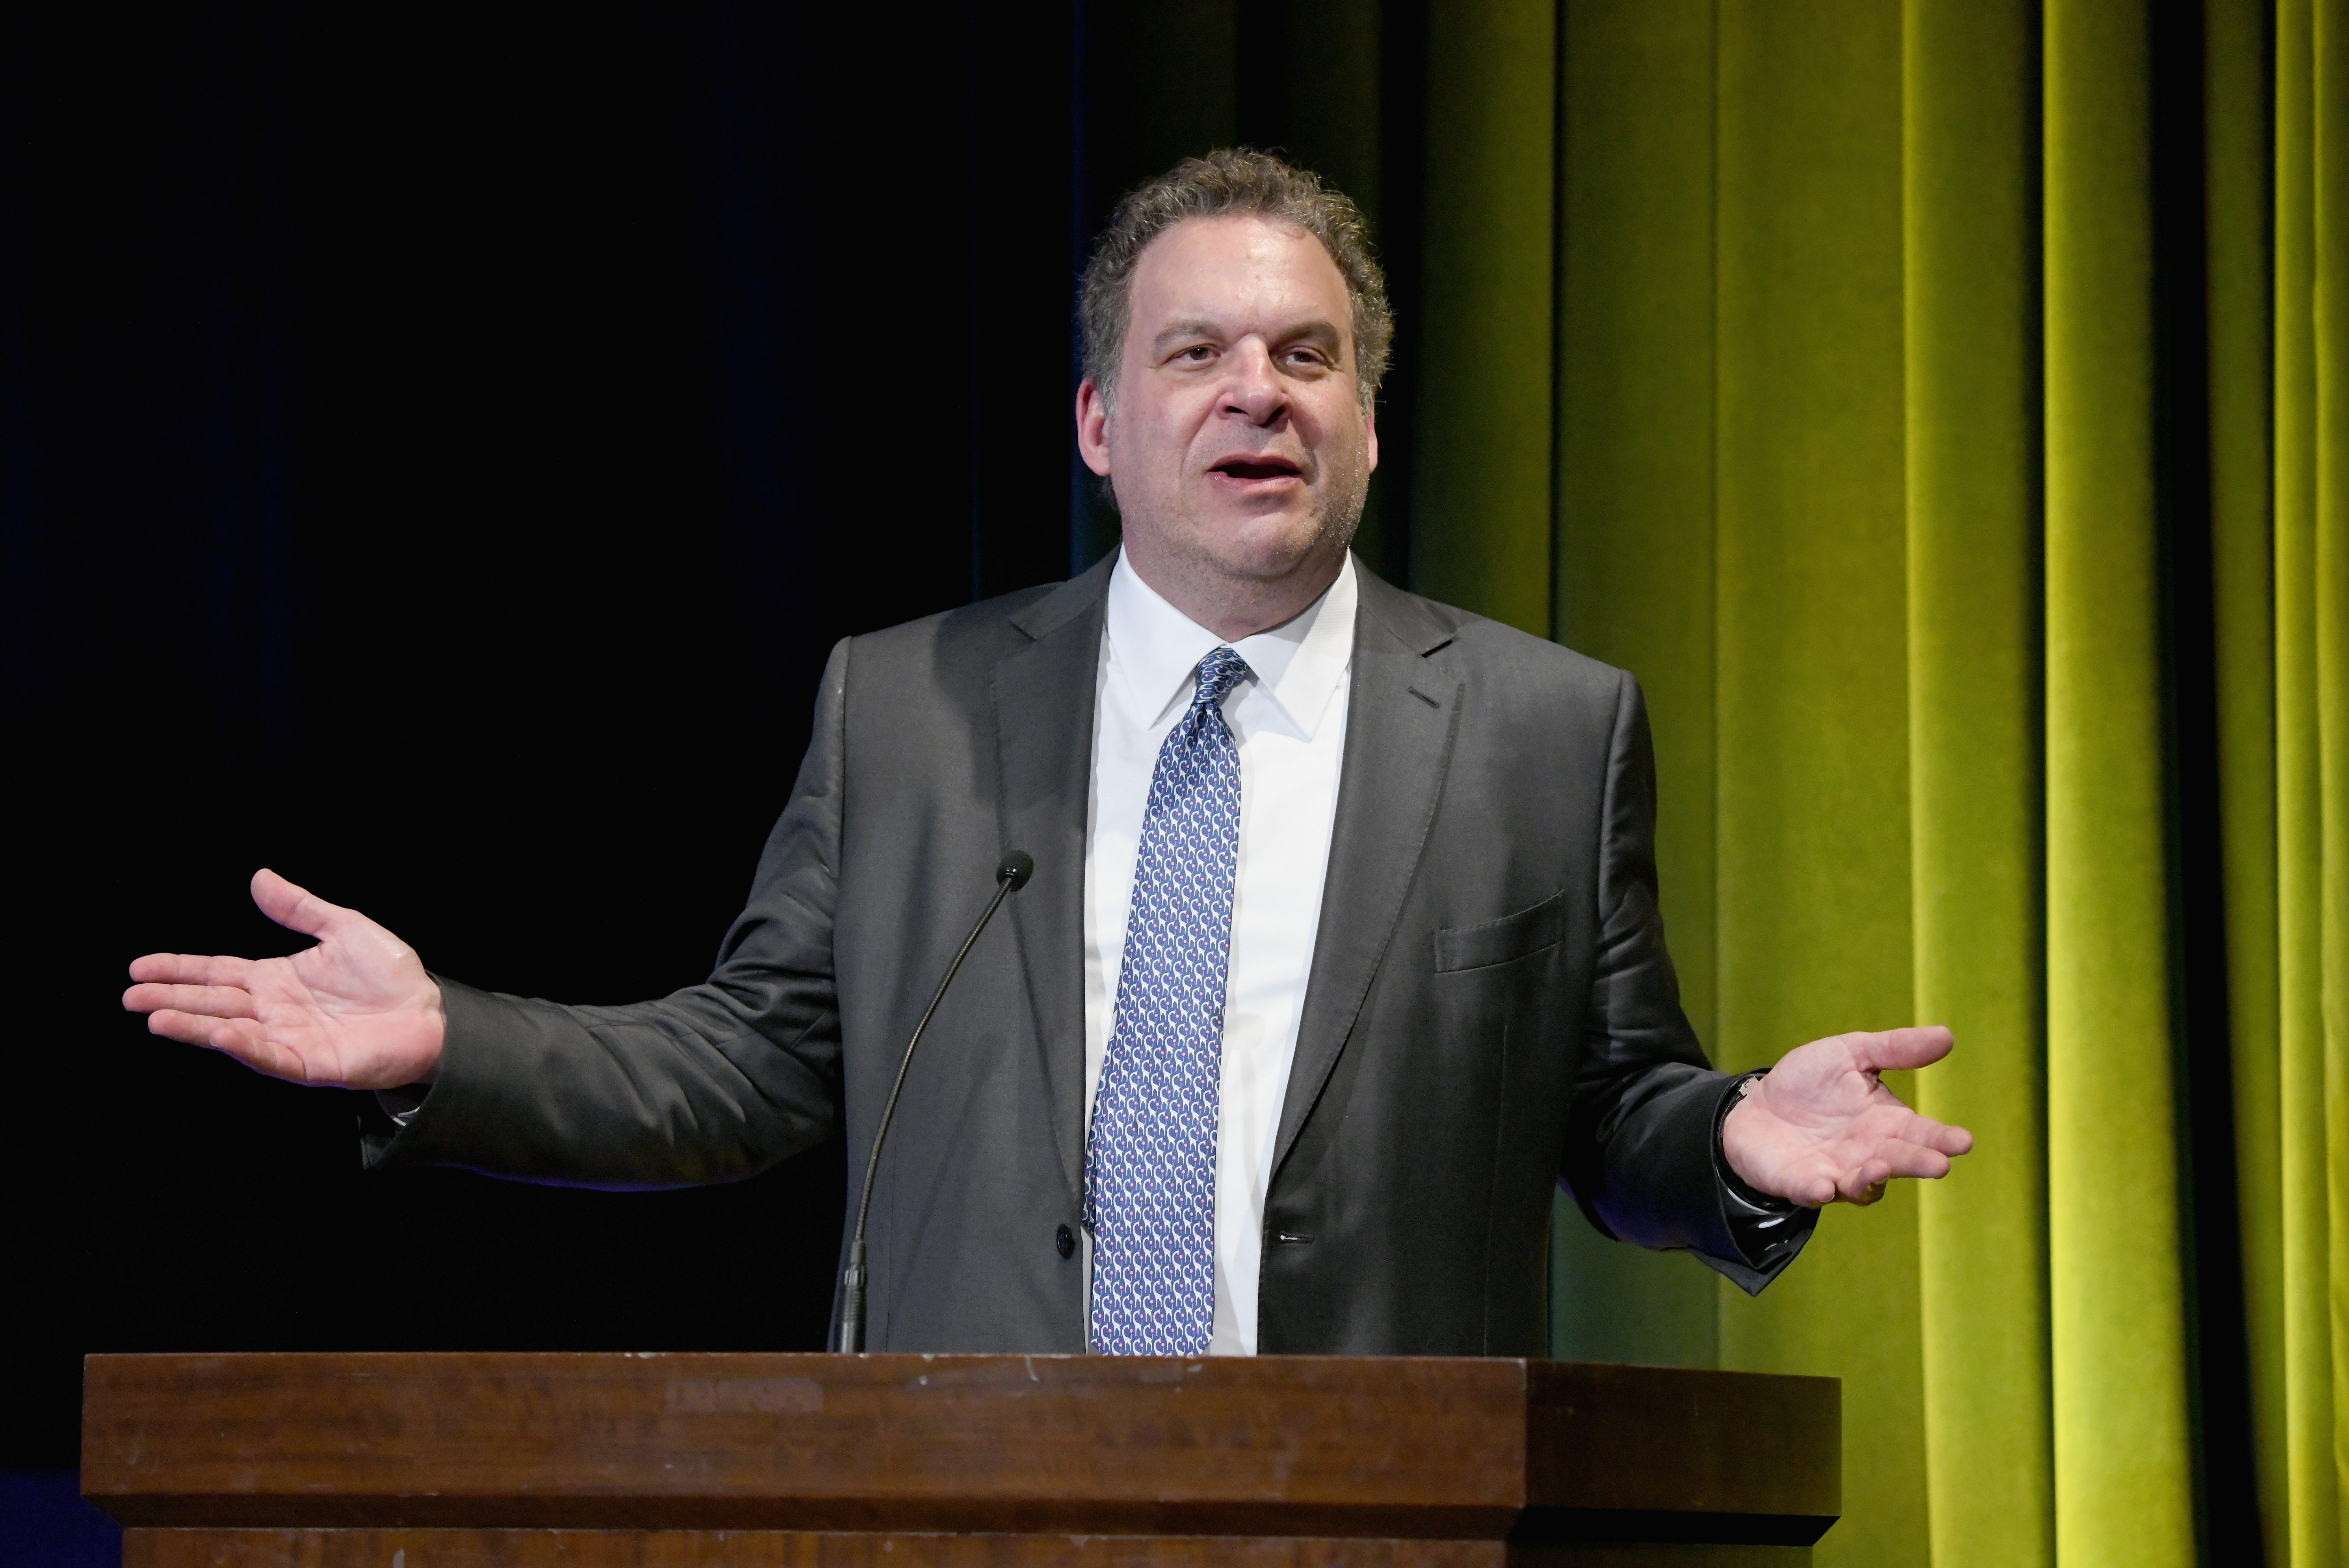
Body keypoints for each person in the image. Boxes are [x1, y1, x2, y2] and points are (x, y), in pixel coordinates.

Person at [123, 150, 1971, 1356]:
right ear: (1100, 420)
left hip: (1379, 1512)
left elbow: (1608, 1105)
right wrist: (455, 1036)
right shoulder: (910, 708)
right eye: (1196, 354)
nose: (1257, 388)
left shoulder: (1546, 731)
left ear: (1368, 422)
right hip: (972, 1503)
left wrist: (1732, 1133)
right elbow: (746, 1065)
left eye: (1306, 353)